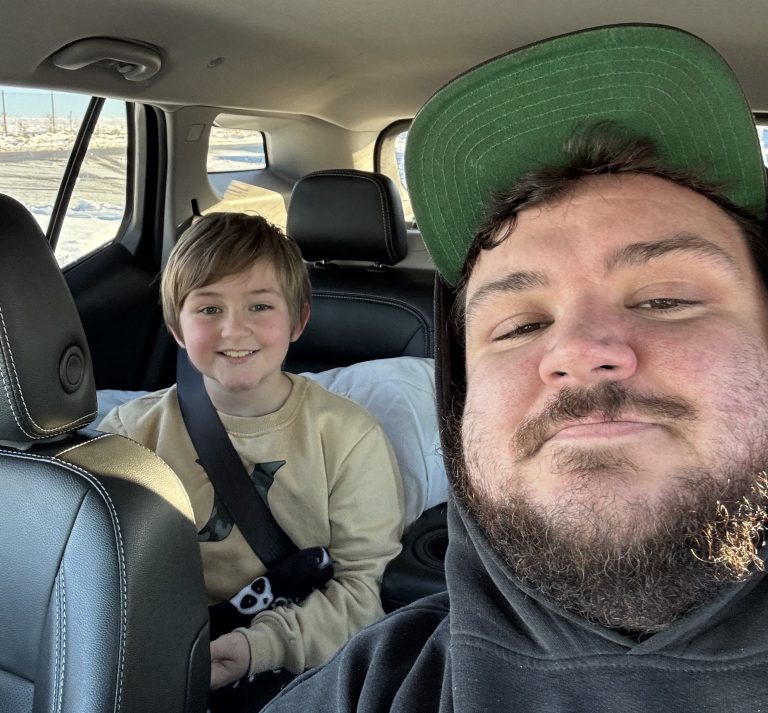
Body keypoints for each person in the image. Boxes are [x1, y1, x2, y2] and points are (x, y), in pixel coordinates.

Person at [262, 24, 768, 712]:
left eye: (665, 298)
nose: (579, 350)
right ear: (461, 402)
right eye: (521, 325)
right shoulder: (365, 690)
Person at [98, 212, 404, 707]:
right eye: (209, 309)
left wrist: (256, 646)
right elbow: (107, 571)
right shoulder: (132, 433)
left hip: (292, 651)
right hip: (166, 649)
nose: (234, 330)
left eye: (260, 305)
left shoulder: (347, 436)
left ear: (299, 320)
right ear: (177, 327)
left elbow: (361, 592)